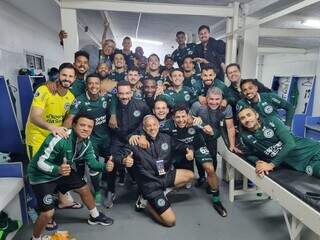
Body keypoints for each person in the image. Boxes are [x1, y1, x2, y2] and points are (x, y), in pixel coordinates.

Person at [28, 114, 114, 240]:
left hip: (63, 171)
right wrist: (58, 169)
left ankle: (95, 216)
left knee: (84, 188)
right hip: (41, 175)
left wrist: (104, 167)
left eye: (90, 126)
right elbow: (40, 163)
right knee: (47, 213)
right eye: (82, 125)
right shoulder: (60, 138)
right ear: (74, 125)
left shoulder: (86, 143)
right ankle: (35, 238)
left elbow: (92, 163)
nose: (86, 129)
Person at [25, 63, 80, 229]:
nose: (67, 79)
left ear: (74, 79)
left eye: (70, 76)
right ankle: (42, 210)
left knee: (56, 169)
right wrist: (53, 128)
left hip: (54, 138)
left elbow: (68, 121)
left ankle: (60, 201)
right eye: (64, 75)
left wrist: (64, 136)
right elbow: (35, 117)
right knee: (40, 173)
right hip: (37, 137)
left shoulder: (71, 98)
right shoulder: (44, 90)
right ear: (58, 75)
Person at [114, 115, 194, 227]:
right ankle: (145, 203)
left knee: (190, 176)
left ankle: (163, 192)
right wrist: (124, 160)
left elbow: (184, 146)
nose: (152, 128)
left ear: (158, 125)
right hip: (150, 185)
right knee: (170, 221)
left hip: (165, 175)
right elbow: (117, 156)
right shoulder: (135, 142)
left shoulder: (166, 138)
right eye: (149, 126)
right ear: (144, 128)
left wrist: (189, 151)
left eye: (154, 125)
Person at [161, 106, 228, 217]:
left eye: (183, 116)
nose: (181, 120)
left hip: (197, 146)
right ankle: (162, 191)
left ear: (188, 115)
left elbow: (216, 134)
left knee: (210, 169)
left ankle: (216, 200)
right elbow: (148, 128)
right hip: (179, 150)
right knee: (166, 168)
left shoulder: (196, 121)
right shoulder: (166, 125)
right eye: (177, 117)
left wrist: (211, 132)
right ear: (172, 117)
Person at [64, 73, 115, 206]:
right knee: (93, 167)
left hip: (106, 138)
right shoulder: (79, 100)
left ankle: (110, 190)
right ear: (86, 85)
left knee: (111, 163)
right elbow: (70, 118)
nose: (94, 86)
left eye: (96, 83)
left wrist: (113, 115)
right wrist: (63, 135)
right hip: (92, 140)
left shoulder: (106, 97)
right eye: (90, 83)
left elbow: (114, 99)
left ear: (100, 85)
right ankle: (97, 191)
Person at [238, 107, 320, 178]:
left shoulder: (272, 122)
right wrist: (257, 162)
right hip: (305, 164)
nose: (247, 119)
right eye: (242, 118)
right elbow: (248, 154)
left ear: (256, 115)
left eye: (249, 115)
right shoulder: (245, 137)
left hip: (314, 150)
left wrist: (271, 165)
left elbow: (290, 144)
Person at [106, 81, 151, 208]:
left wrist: (141, 134)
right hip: (119, 138)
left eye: (127, 93)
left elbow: (147, 121)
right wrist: (127, 136)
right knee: (112, 160)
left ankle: (141, 188)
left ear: (131, 93)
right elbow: (112, 128)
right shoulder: (112, 108)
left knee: (140, 161)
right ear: (117, 94)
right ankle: (111, 190)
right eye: (121, 94)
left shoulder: (141, 105)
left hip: (136, 138)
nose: (124, 96)